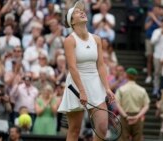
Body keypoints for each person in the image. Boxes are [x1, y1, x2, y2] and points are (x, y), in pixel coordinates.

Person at [57, 1, 115, 141]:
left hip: (95, 83)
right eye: (77, 12)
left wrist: (107, 88)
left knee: (102, 127)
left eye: (82, 11)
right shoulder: (69, 40)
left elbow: (100, 65)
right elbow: (72, 67)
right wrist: (82, 91)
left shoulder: (96, 39)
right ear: (72, 22)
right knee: (75, 130)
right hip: (77, 84)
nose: (82, 12)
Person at [115, 68, 150, 141]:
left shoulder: (121, 89)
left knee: (122, 138)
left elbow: (117, 104)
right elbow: (146, 105)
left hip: (124, 117)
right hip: (138, 117)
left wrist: (125, 116)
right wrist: (137, 116)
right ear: (136, 76)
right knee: (137, 138)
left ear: (126, 76)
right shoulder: (142, 90)